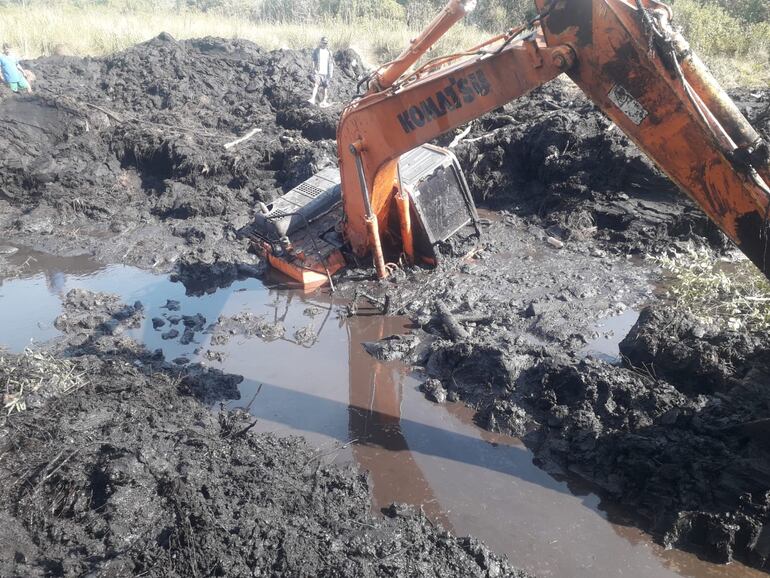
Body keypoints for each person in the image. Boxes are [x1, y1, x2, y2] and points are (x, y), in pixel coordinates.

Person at [308, 37, 333, 107]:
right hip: (319, 72)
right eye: (324, 43)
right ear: (321, 42)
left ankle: (324, 101)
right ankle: (313, 99)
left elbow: (331, 63)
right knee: (316, 85)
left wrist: (331, 73)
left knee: (325, 87)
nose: (325, 44)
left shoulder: (329, 52)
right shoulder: (317, 51)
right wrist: (314, 69)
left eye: (326, 43)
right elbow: (314, 60)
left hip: (326, 73)